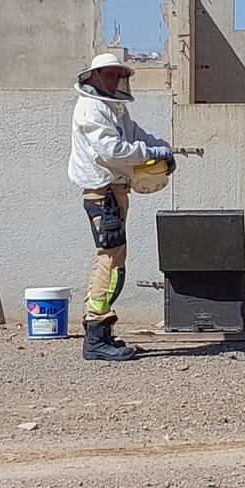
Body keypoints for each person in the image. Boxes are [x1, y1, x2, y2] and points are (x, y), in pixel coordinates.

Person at [68, 53, 172, 362]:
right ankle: (97, 334)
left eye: (117, 75)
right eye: (108, 75)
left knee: (109, 259)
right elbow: (112, 149)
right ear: (94, 76)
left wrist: (162, 148)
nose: (113, 80)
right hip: (102, 193)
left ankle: (99, 330)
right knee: (111, 262)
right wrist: (151, 151)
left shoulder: (114, 108)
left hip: (114, 191)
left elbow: (134, 135)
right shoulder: (91, 108)